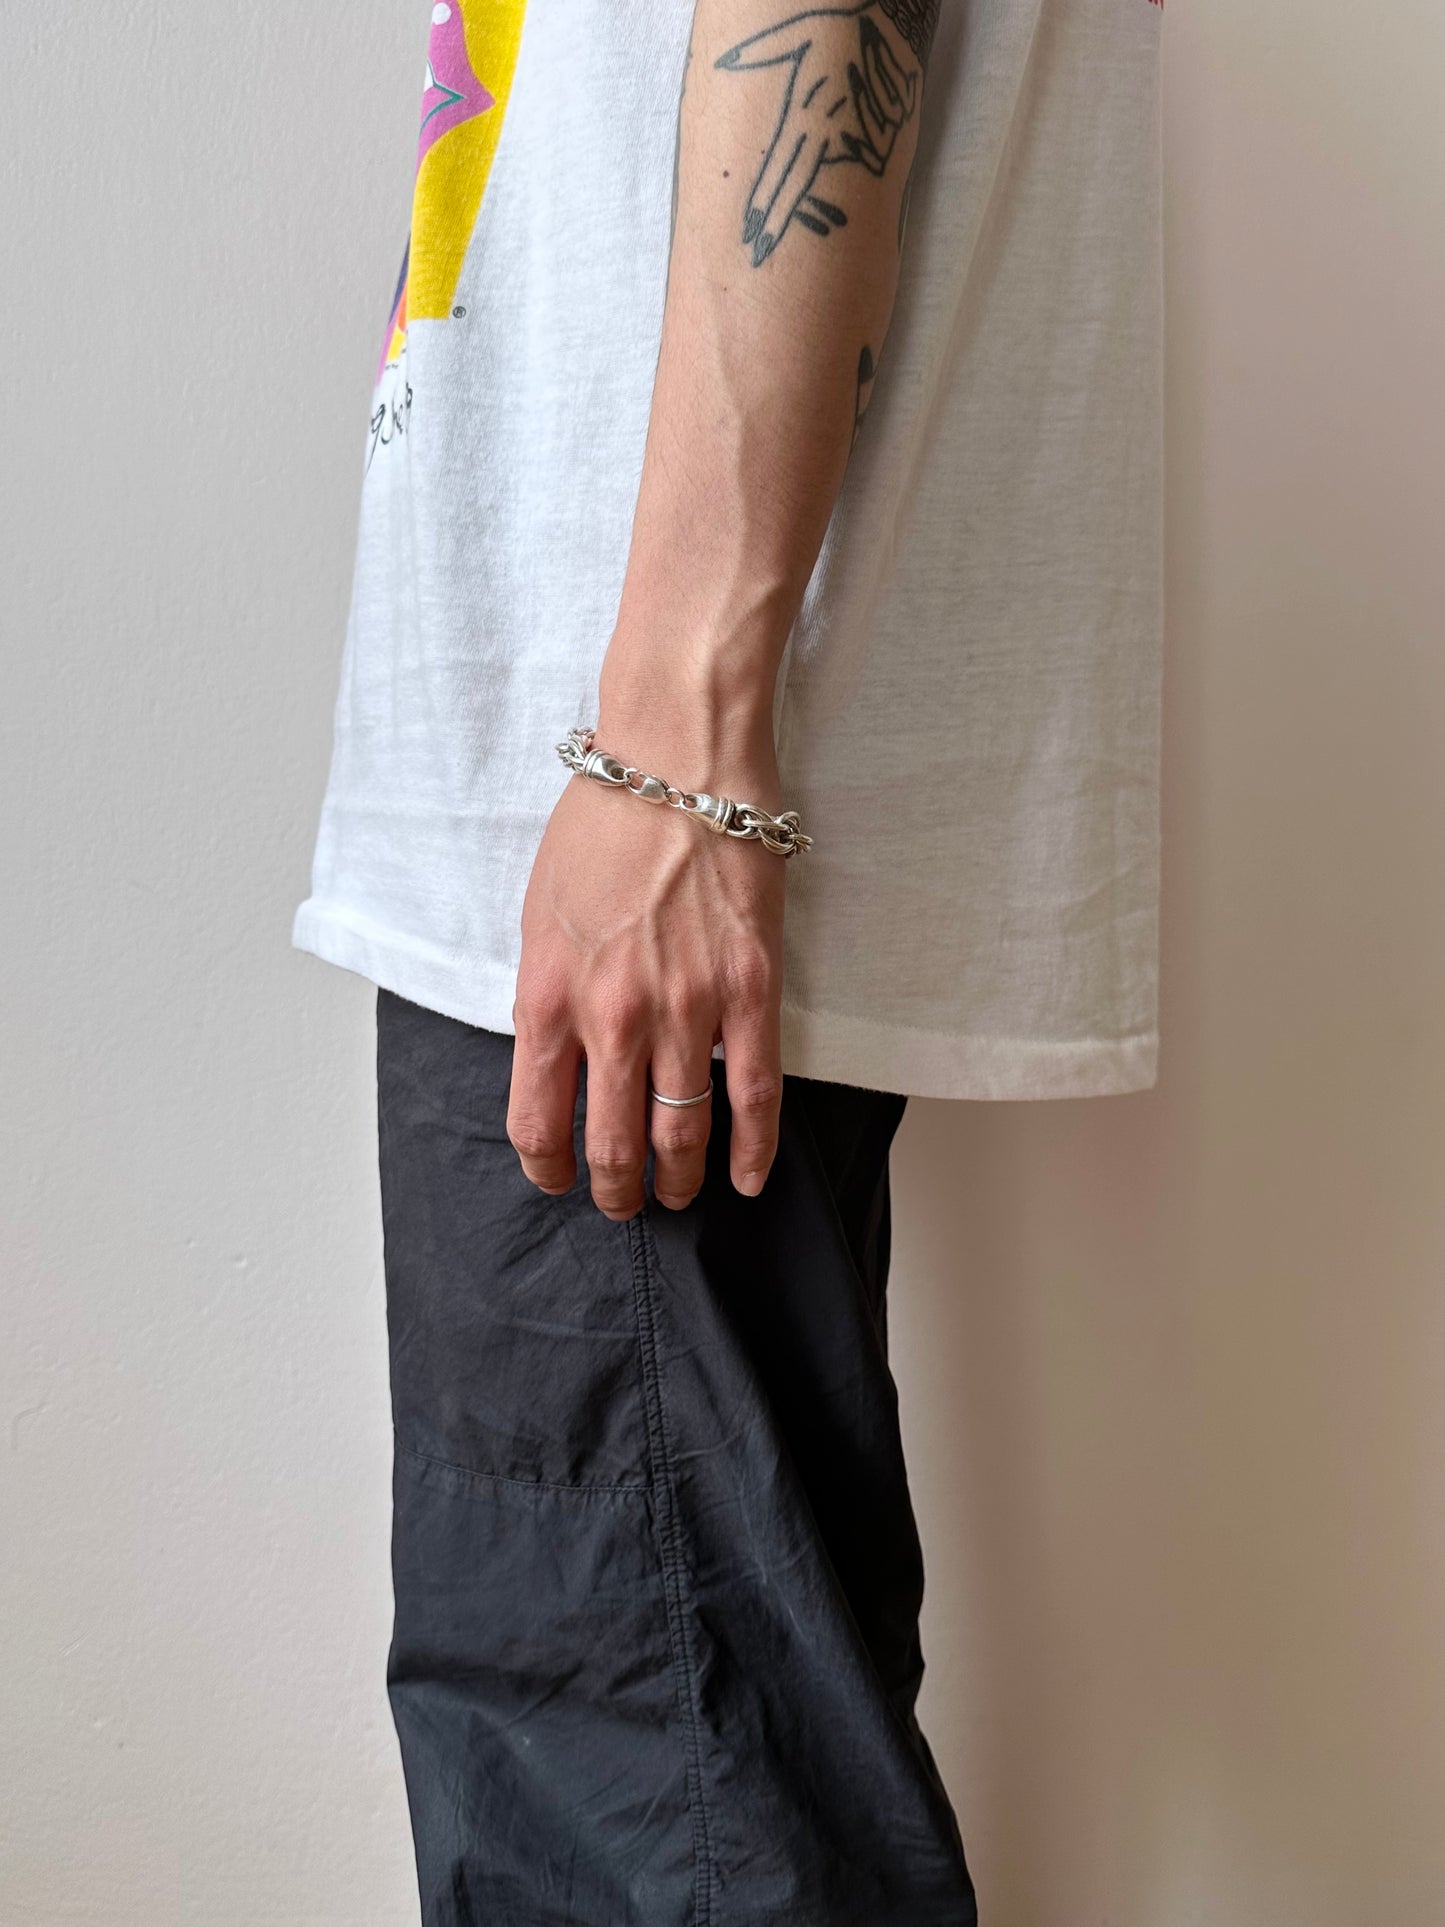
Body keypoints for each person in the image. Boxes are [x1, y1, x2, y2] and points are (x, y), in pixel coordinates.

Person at [292, 0, 1164, 1918]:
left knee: (629, 1766)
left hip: (627, 774)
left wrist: (676, 743)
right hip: (609, 756)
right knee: (673, 1744)